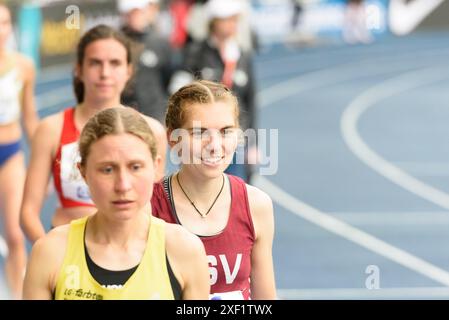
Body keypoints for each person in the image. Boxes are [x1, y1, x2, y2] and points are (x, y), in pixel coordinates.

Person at [23, 107, 209, 300]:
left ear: (155, 167)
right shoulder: (50, 252)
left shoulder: (185, 251)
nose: (123, 185)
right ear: (83, 172)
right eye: (108, 169)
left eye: (135, 167)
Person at [20, 25, 167, 244]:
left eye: (115, 63)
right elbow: (29, 212)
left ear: (129, 70)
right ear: (79, 69)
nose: (105, 73)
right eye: (95, 63)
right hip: (68, 252)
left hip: (130, 256)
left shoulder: (152, 131)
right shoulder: (51, 129)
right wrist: (51, 254)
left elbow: (154, 208)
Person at [151, 80, 276, 300]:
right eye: (199, 133)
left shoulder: (255, 204)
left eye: (226, 131)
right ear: (173, 138)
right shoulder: (148, 206)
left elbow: (265, 300)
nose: (215, 145)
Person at [170, 0, 257, 182]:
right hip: (203, 140)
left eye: (234, 19)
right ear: (213, 22)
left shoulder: (242, 54)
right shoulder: (195, 52)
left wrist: (253, 143)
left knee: (238, 195)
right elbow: (177, 94)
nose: (231, 25)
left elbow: (251, 100)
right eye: (226, 20)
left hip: (237, 138)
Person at [0, 2, 39, 299]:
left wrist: (43, 165)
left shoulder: (24, 66)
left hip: (11, 153)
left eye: (4, 23)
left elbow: (29, 117)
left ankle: (14, 294)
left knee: (15, 234)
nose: (0, 30)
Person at [118, 0, 174, 123]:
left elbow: (168, 75)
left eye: (139, 12)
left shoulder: (159, 42)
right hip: (124, 114)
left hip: (155, 114)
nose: (135, 17)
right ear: (124, 15)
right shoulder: (115, 42)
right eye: (131, 13)